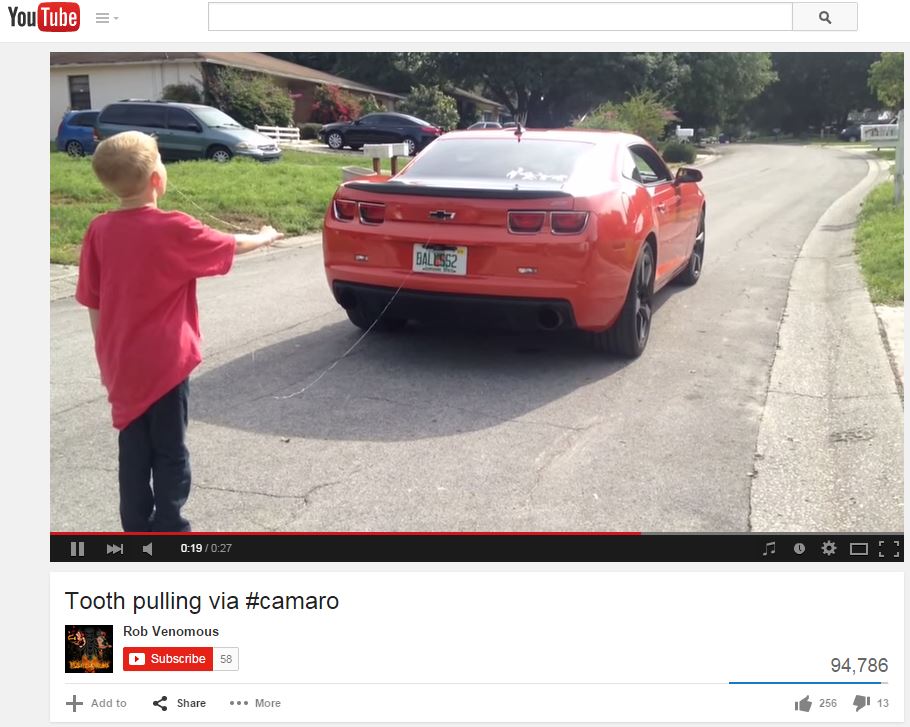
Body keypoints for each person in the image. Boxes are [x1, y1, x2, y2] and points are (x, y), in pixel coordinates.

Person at [75, 131, 283, 532]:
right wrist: (265, 235)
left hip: (122, 362)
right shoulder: (173, 227)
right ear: (157, 179)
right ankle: (170, 524)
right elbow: (230, 243)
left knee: (133, 449)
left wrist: (105, 359)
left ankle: (135, 525)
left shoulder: (98, 231)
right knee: (170, 448)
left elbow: (93, 302)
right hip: (168, 364)